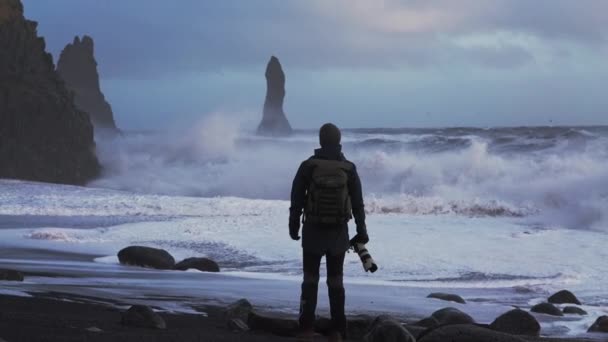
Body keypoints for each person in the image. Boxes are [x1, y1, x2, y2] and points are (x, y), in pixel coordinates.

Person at [289, 123, 368, 341]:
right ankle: (337, 329)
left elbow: (296, 198)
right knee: (336, 281)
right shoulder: (349, 168)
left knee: (310, 279)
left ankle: (305, 328)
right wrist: (362, 232)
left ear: (320, 141)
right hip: (338, 233)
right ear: (339, 141)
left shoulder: (308, 166)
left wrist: (293, 224)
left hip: (313, 230)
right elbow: (358, 204)